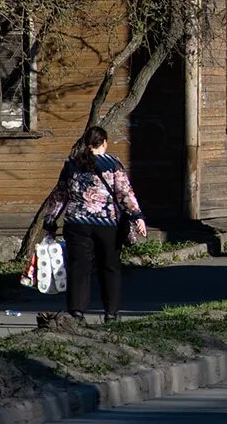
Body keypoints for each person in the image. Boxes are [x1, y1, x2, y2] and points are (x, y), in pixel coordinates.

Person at [42, 126, 146, 323]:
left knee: (79, 268)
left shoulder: (71, 164)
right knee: (110, 268)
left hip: (76, 223)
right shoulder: (113, 163)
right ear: (104, 142)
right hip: (107, 225)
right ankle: (110, 313)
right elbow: (124, 192)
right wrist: (137, 215)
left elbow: (60, 195)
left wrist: (50, 221)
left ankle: (77, 312)